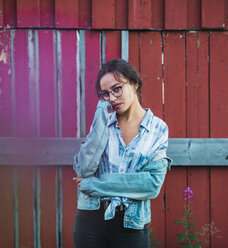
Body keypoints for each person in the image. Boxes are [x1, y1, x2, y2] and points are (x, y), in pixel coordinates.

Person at [72, 58, 172, 248]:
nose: (112, 98)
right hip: (89, 220)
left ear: (134, 84)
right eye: (105, 94)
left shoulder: (157, 129)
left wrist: (93, 185)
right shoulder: (103, 123)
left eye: (117, 89)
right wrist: (101, 113)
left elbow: (151, 185)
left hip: (131, 222)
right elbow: (84, 169)